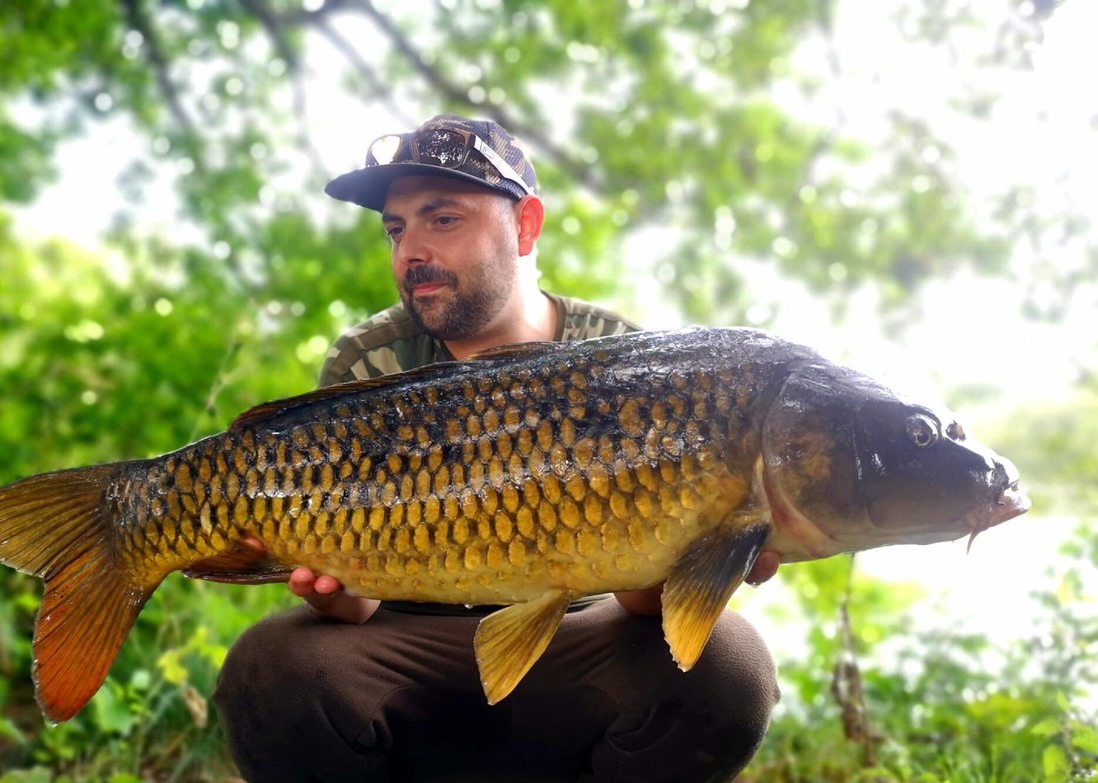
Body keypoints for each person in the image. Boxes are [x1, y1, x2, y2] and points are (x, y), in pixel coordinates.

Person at [214, 114, 781, 782]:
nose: (410, 251)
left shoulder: (625, 357)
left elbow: (638, 606)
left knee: (732, 662)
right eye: (397, 229)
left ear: (526, 225)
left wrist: (691, 562)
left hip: (577, 642)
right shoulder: (372, 358)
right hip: (408, 646)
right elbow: (360, 605)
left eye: (442, 219)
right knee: (269, 667)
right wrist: (334, 589)